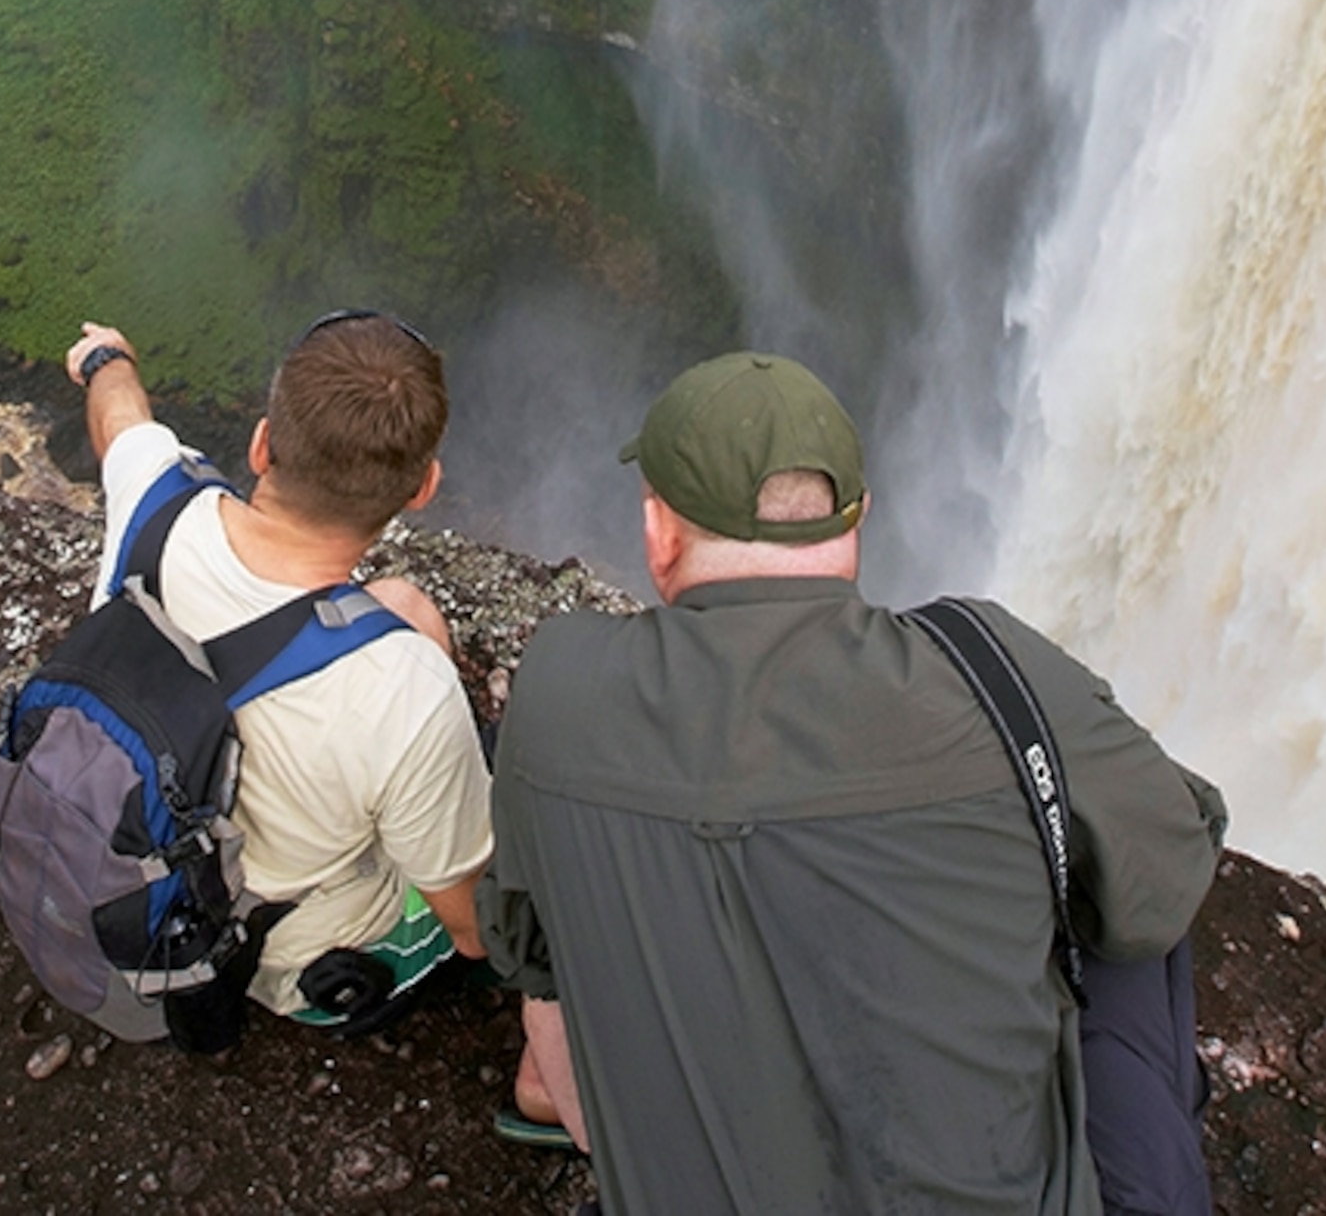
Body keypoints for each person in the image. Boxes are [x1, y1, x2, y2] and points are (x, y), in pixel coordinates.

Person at [482, 352, 1225, 1216]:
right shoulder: (991, 672)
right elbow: (1169, 865)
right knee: (1119, 894)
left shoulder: (561, 689)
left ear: (660, 529)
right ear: (858, 516)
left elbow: (533, 956)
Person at [65, 310, 492, 1026]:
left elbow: (121, 421)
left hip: (112, 865)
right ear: (424, 489)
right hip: (264, 956)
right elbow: (475, 925)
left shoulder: (157, 500)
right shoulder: (406, 693)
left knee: (404, 605)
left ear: (261, 446)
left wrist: (106, 356)